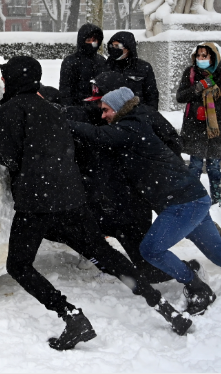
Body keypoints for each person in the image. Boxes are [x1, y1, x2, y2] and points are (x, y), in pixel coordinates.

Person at [0, 56, 191, 351]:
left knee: (19, 265)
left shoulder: (12, 109)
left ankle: (70, 316)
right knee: (106, 257)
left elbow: (10, 160)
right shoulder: (52, 109)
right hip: (71, 199)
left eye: (4, 76)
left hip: (36, 203)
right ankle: (164, 307)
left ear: (12, 79)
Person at [69, 87, 221, 316]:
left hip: (182, 202)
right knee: (220, 255)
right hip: (192, 198)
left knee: (151, 250)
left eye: (106, 110)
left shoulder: (131, 127)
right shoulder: (133, 123)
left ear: (119, 107)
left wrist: (59, 121)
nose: (103, 115)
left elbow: (97, 135)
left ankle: (197, 288)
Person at [65, 71, 179, 283]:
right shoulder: (110, 117)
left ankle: (188, 273)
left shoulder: (141, 120)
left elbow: (172, 146)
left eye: (102, 105)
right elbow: (83, 116)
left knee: (147, 259)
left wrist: (146, 175)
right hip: (115, 195)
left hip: (135, 198)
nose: (99, 111)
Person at [175, 42, 221, 206]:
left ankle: (216, 200)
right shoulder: (190, 73)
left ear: (214, 57)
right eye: (198, 56)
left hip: (217, 129)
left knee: (214, 167)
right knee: (195, 166)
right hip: (194, 127)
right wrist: (198, 87)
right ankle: (192, 198)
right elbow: (181, 97)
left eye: (205, 56)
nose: (200, 59)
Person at [103, 31, 160, 109]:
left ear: (128, 48)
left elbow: (151, 96)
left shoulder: (143, 67)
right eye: (112, 46)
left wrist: (149, 115)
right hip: (111, 114)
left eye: (117, 46)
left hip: (137, 114)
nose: (114, 49)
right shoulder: (106, 66)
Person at [58, 23, 105, 105]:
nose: (91, 43)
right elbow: (65, 91)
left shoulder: (102, 61)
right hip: (77, 109)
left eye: (94, 41)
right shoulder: (70, 61)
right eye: (88, 40)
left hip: (99, 109)